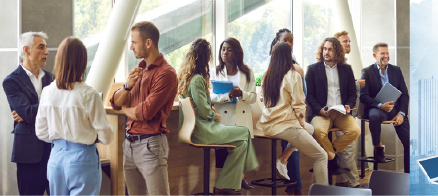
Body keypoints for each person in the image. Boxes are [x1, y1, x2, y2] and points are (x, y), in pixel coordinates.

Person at [178, 38, 259, 194]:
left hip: (204, 126)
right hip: (206, 128)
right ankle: (239, 176)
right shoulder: (199, 79)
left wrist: (240, 94)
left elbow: (202, 102)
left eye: (229, 49)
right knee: (244, 133)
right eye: (222, 49)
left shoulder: (193, 78)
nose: (224, 53)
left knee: (241, 143)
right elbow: (203, 108)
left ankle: (224, 185)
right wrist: (214, 113)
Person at [35, 37, 113, 196]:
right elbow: (106, 135)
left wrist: (61, 139)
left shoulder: (47, 92)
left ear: (59, 60)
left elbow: (41, 132)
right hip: (82, 158)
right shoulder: (89, 94)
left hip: (56, 158)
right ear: (82, 62)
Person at [109, 22, 178, 196]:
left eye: (134, 42)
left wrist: (125, 109)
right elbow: (115, 102)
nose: (131, 47)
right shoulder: (139, 70)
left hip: (151, 144)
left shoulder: (166, 73)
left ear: (148, 43)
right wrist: (127, 86)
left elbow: (144, 113)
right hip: (130, 144)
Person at [259, 41, 329, 185]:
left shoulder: (267, 77)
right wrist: (301, 124)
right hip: (286, 126)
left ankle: (283, 158)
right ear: (288, 57)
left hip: (268, 126)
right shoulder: (292, 75)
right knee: (321, 156)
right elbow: (298, 105)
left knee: (311, 129)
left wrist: (303, 126)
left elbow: (262, 99)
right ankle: (323, 192)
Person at [3, 32, 53, 196]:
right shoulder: (11, 81)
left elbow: (30, 113)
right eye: (41, 47)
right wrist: (53, 102)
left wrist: (29, 111)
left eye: (46, 47)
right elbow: (29, 114)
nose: (46, 52)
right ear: (26, 50)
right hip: (29, 154)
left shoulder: (52, 79)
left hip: (55, 151)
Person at [305, 37, 360, 177]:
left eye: (330, 49)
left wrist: (349, 106)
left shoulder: (346, 69)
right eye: (324, 49)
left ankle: (331, 153)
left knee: (355, 130)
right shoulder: (312, 69)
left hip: (341, 112)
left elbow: (352, 93)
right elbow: (309, 95)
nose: (326, 52)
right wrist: (320, 110)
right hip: (321, 112)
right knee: (318, 131)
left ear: (336, 52)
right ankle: (333, 158)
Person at [360, 43, 410, 172]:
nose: (385, 56)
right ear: (374, 55)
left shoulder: (396, 70)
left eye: (387, 53)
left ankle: (408, 176)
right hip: (377, 108)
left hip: (394, 109)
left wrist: (401, 113)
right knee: (374, 116)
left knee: (409, 143)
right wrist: (380, 105)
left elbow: (404, 94)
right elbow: (363, 96)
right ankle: (378, 147)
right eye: (382, 53)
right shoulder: (367, 72)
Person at [270, 29, 305, 196]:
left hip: (296, 114)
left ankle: (292, 186)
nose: (289, 44)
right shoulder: (273, 66)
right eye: (286, 40)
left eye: (292, 41)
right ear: (277, 42)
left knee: (294, 141)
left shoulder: (293, 64)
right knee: (294, 139)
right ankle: (296, 189)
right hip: (281, 116)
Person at [333, 30, 362, 189]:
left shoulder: (343, 64)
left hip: (346, 109)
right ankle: (354, 183)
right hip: (338, 111)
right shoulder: (335, 64)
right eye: (345, 41)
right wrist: (357, 84)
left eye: (349, 41)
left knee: (347, 148)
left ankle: (344, 180)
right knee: (349, 147)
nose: (348, 44)